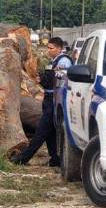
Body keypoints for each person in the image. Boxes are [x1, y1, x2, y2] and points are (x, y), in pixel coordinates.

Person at [10, 37, 72, 166]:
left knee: (41, 132)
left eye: (51, 48)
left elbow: (59, 81)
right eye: (48, 48)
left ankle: (23, 158)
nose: (48, 51)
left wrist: (44, 79)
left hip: (56, 101)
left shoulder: (64, 61)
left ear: (59, 48)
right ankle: (55, 159)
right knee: (50, 132)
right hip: (49, 99)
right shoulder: (54, 61)